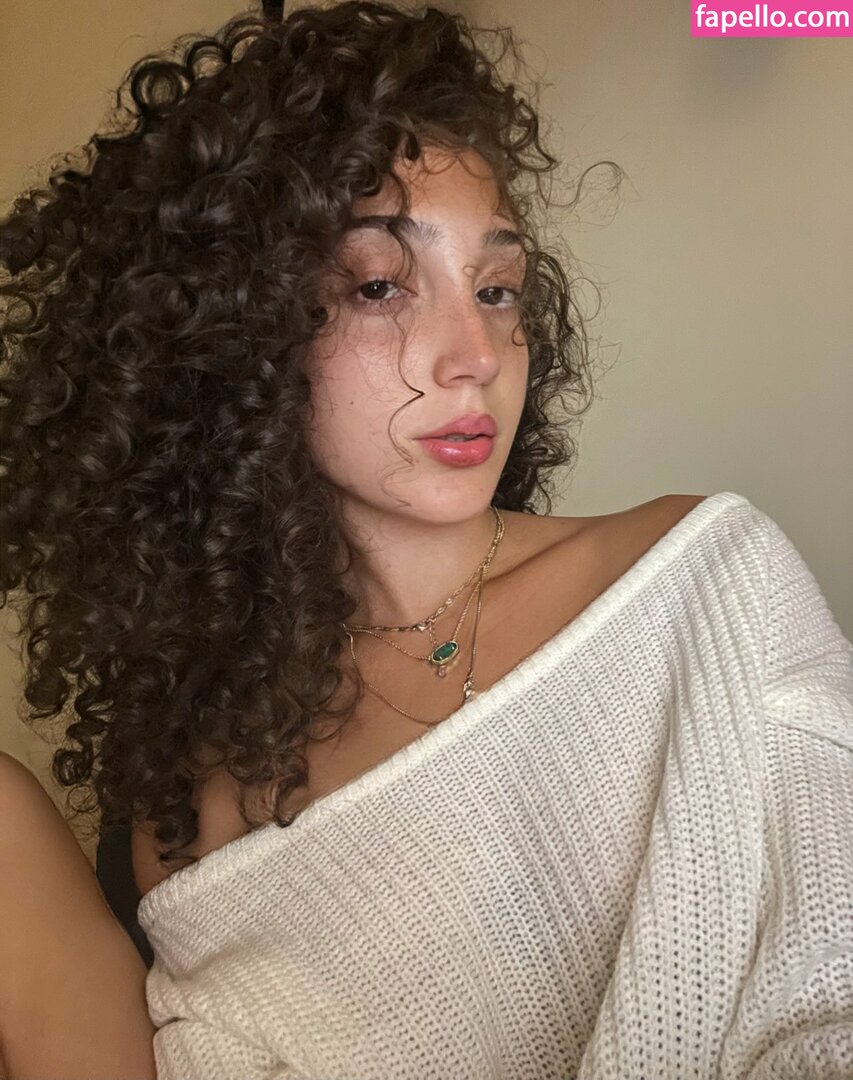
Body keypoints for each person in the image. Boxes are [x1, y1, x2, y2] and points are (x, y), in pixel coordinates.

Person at [1, 2, 851, 1078]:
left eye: (496, 291)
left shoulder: (700, 587)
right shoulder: (189, 805)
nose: (476, 353)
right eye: (378, 286)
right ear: (229, 337)